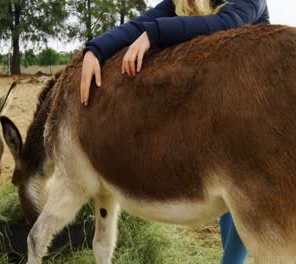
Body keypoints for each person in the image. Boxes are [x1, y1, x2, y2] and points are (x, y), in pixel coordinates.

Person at [79, 0, 270, 263]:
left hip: (261, 115)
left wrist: (154, 34)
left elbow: (226, 23)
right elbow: (138, 25)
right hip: (225, 121)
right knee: (231, 205)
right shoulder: (183, 2)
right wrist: (94, 50)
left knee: (245, 201)